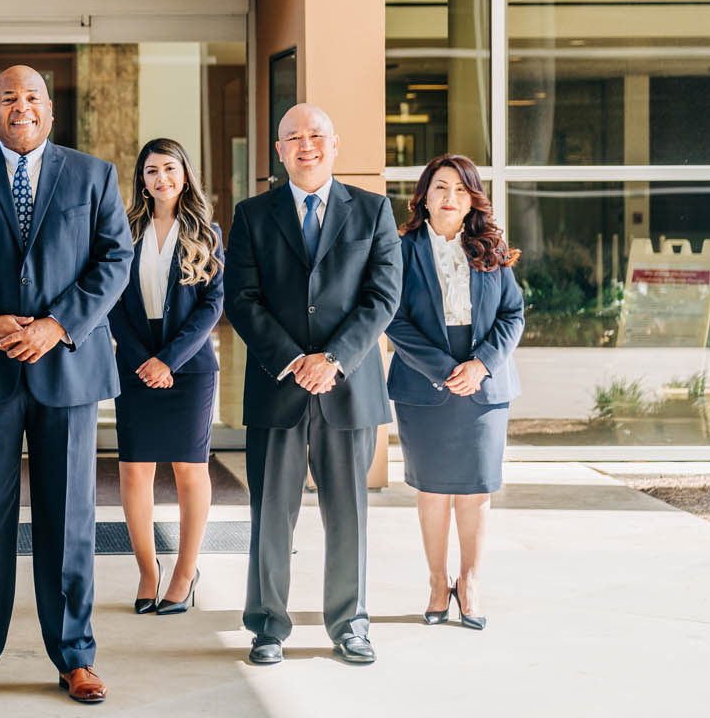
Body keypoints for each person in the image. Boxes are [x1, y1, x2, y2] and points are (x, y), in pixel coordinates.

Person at [0, 65, 133, 705]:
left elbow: (114, 258)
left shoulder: (94, 175)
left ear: (50, 109)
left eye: (32, 96)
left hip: (66, 366)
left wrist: (57, 325)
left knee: (70, 521)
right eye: (9, 98)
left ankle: (75, 657)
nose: (21, 106)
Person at [223, 103, 400, 667]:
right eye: (293, 137)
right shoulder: (252, 215)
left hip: (348, 389)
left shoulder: (373, 212)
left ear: (334, 144)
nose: (306, 145)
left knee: (348, 515)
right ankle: (267, 626)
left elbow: (382, 298)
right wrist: (295, 360)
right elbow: (242, 300)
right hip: (278, 386)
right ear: (278, 151)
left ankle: (350, 624)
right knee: (271, 514)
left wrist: (333, 359)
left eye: (316, 135)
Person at [386, 154, 523, 631]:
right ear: (424, 195)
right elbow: (393, 319)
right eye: (441, 188)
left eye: (461, 191)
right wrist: (446, 370)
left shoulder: (490, 247)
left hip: (485, 380)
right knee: (431, 492)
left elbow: (513, 315)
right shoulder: (400, 249)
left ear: (472, 201)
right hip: (425, 381)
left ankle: (470, 582)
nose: (450, 198)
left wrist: (481, 364)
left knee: (475, 489)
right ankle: (436, 581)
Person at [106, 138, 225, 616]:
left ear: (185, 175)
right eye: (152, 170)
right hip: (135, 363)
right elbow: (112, 301)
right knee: (135, 471)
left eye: (170, 169)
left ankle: (184, 571)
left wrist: (168, 361)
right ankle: (148, 571)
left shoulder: (208, 233)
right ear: (142, 179)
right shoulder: (123, 230)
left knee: (189, 471)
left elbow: (213, 304)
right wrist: (142, 359)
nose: (161, 179)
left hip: (190, 367)